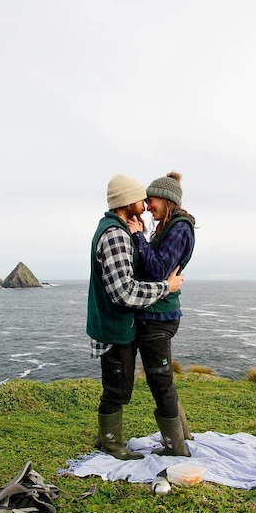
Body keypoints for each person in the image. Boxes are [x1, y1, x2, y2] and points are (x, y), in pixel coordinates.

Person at [87, 174, 184, 461]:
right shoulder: (115, 235)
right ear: (127, 201)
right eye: (140, 198)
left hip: (117, 325)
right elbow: (124, 292)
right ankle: (111, 444)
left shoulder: (117, 229)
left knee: (118, 387)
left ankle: (110, 439)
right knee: (116, 389)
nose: (144, 203)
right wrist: (167, 286)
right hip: (115, 326)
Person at [126, 171, 196, 457]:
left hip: (160, 317)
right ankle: (183, 435)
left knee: (159, 379)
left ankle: (176, 448)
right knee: (162, 379)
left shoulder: (180, 229)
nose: (147, 205)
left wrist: (139, 236)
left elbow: (156, 270)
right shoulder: (168, 227)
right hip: (155, 314)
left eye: (151, 199)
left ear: (166, 200)